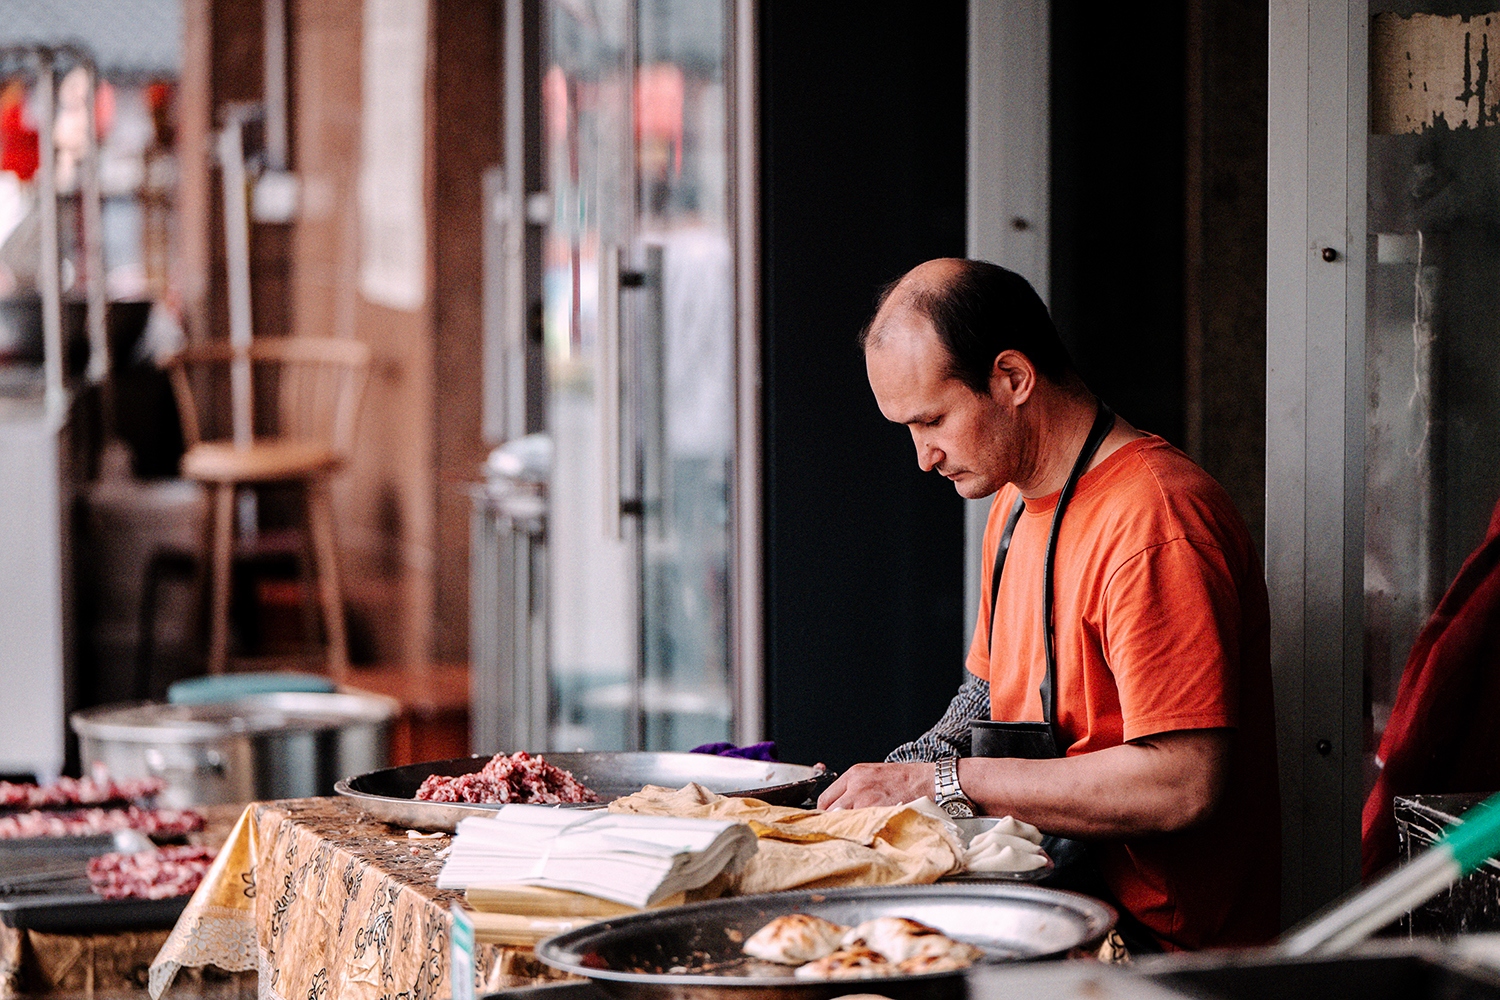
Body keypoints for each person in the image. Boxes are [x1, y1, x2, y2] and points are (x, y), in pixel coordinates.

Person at [817, 258, 1279, 952]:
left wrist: (945, 781)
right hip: (1053, 902)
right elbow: (982, 701)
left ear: (1012, 379)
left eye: (932, 420)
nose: (923, 457)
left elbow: (1183, 783)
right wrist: (877, 788)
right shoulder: (1008, 504)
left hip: (1162, 951)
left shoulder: (1155, 520)